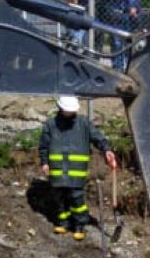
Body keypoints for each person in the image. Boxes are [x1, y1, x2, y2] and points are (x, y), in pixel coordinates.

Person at [39, 94, 118, 240]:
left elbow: (97, 137)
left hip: (77, 169)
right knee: (59, 197)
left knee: (76, 199)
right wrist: (44, 162)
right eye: (67, 110)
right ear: (60, 108)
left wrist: (106, 149)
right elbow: (44, 145)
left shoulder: (83, 123)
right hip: (57, 169)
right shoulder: (51, 124)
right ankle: (63, 222)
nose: (69, 113)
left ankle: (79, 225)